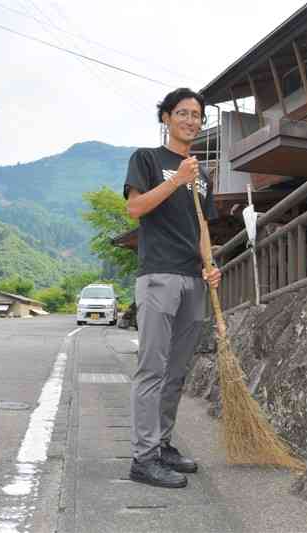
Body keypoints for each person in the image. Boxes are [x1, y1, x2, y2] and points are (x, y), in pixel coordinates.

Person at [123, 87, 221, 489]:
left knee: (177, 371)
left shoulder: (203, 174)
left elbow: (202, 226)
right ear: (166, 118)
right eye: (182, 113)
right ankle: (142, 459)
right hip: (158, 275)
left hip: (191, 279)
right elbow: (135, 208)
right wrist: (177, 179)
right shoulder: (146, 159)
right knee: (152, 368)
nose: (190, 120)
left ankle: (162, 444)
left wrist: (210, 265)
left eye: (197, 115)